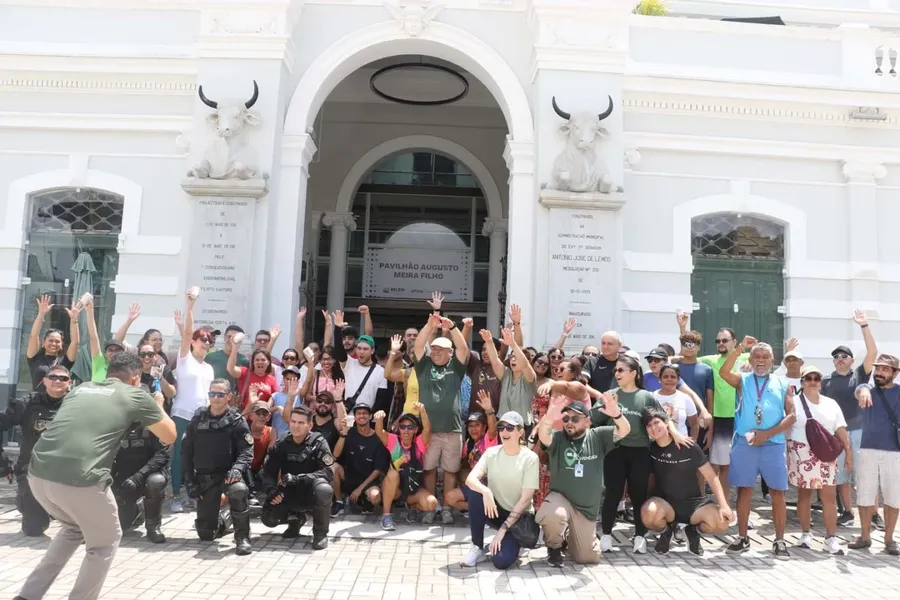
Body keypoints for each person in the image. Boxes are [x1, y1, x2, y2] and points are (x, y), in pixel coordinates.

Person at [15, 352, 175, 600]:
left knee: (73, 528)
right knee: (105, 541)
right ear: (135, 378)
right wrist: (158, 405)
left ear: (109, 373)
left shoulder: (81, 389)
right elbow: (169, 435)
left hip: (38, 475)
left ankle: (27, 596)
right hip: (81, 479)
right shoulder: (135, 394)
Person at [591, 354, 686, 554]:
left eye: (620, 370)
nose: (616, 373)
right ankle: (606, 535)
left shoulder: (646, 396)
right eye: (615, 370)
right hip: (615, 451)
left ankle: (640, 536)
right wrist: (607, 407)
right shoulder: (609, 394)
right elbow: (593, 418)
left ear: (633, 373)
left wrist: (676, 434)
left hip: (640, 452)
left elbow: (663, 418)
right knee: (612, 494)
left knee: (638, 495)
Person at [719, 341, 795, 559]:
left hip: (773, 444)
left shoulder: (783, 383)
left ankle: (779, 540)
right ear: (751, 360)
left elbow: (792, 415)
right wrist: (738, 350)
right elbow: (723, 372)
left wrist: (766, 434)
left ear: (772, 360)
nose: (761, 361)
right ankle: (743, 537)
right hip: (746, 443)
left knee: (778, 492)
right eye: (757, 357)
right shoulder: (743, 380)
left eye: (765, 357)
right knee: (744, 490)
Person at [536, 395, 630, 567]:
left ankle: (568, 538)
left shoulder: (598, 436)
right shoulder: (558, 438)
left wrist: (617, 415)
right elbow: (543, 436)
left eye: (575, 419)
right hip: (561, 500)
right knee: (553, 514)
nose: (569, 422)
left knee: (587, 558)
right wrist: (549, 417)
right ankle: (554, 547)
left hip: (586, 510)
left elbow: (624, 430)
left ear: (587, 421)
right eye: (565, 419)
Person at [641, 407, 733, 557]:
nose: (653, 428)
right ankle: (666, 532)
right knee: (648, 513)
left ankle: (693, 531)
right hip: (666, 505)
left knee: (722, 522)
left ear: (667, 423)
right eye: (649, 425)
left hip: (693, 505)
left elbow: (712, 477)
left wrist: (723, 505)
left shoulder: (688, 446)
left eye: (657, 423)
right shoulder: (651, 449)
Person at [181, 378, 254, 555]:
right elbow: (186, 453)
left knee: (238, 490)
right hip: (205, 479)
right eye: (212, 394)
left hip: (229, 475)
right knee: (205, 534)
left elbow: (246, 451)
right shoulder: (197, 420)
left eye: (220, 394)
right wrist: (190, 482)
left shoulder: (236, 420)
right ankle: (226, 519)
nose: (215, 398)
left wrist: (237, 469)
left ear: (229, 396)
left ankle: (242, 537)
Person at [459, 411, 538, 569]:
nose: (504, 432)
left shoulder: (530, 458)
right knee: (476, 491)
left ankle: (511, 540)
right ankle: (477, 547)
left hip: (518, 518)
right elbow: (470, 479)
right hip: (496, 511)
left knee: (501, 561)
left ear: (520, 432)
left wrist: (502, 530)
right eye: (501, 428)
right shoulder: (491, 453)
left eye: (510, 428)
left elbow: (525, 500)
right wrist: (486, 492)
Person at [0, 364, 72, 536]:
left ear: (69, 383)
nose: (57, 381)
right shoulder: (27, 404)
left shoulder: (77, 406)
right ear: (44, 381)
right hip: (31, 469)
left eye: (62, 378)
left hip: (66, 472)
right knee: (33, 529)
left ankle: (57, 509)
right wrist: (2, 461)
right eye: (52, 377)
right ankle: (30, 504)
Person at [821, 310, 877, 527]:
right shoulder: (825, 381)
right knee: (842, 476)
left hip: (861, 432)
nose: (840, 359)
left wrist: (864, 326)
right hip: (837, 434)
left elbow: (872, 352)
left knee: (865, 475)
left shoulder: (860, 374)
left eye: (844, 356)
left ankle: (874, 514)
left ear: (852, 360)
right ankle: (847, 512)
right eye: (836, 357)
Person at [788, 366, 851, 555]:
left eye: (816, 378)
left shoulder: (831, 403)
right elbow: (785, 426)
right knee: (804, 495)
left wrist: (849, 452)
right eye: (808, 378)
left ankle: (830, 538)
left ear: (821, 382)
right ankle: (805, 534)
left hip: (825, 453)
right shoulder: (793, 402)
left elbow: (840, 429)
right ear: (802, 382)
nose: (813, 381)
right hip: (801, 452)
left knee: (829, 497)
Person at [413, 313, 470, 525]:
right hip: (428, 430)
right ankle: (431, 507)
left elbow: (463, 349)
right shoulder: (424, 365)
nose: (435, 352)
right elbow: (419, 345)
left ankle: (446, 507)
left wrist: (453, 327)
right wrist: (429, 326)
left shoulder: (456, 367)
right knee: (428, 469)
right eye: (434, 348)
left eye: (440, 349)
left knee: (450, 471)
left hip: (452, 429)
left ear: (449, 352)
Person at [260, 405, 334, 549]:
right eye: (293, 421)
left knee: (324, 490)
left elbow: (328, 472)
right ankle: (295, 520)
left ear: (309, 425)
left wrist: (300, 478)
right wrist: (271, 490)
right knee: (268, 518)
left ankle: (320, 534)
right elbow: (268, 471)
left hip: (312, 492)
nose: (296, 426)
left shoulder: (319, 442)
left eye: (301, 423)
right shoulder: (282, 443)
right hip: (289, 492)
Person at [168, 289, 215, 513]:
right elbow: (187, 332)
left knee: (198, 459)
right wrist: (190, 306)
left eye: (209, 341)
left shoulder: (209, 368)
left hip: (202, 418)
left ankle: (192, 495)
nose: (206, 343)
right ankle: (176, 496)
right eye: (202, 339)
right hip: (182, 415)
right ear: (193, 342)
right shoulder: (184, 358)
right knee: (179, 457)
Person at [850, 353, 900, 555]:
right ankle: (864, 537)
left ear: (895, 373)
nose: (879, 372)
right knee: (864, 495)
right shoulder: (867, 390)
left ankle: (889, 539)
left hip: (894, 452)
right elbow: (858, 390)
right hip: (868, 449)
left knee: (893, 497)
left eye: (885, 369)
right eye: (878, 368)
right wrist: (863, 389)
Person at [111, 397, 171, 544]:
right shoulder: (116, 424)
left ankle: (153, 527)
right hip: (125, 474)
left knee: (155, 483)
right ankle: (136, 512)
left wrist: (138, 476)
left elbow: (162, 455)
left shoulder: (155, 425)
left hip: (149, 473)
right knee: (121, 526)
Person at [374, 403, 438, 529]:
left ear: (415, 430)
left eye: (410, 427)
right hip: (395, 489)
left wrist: (422, 411)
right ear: (399, 428)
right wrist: (379, 418)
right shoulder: (393, 440)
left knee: (431, 503)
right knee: (393, 473)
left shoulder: (419, 443)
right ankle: (386, 516)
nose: (406, 430)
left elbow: (427, 429)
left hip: (412, 489)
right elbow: (380, 432)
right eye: (403, 427)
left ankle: (412, 507)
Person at [331, 403, 390, 516]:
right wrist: (344, 433)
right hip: (349, 476)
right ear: (354, 417)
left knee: (375, 496)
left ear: (370, 416)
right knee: (333, 467)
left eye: (364, 413)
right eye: (358, 413)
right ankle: (339, 502)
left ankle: (364, 500)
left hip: (369, 481)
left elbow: (378, 470)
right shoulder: (349, 432)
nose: (361, 416)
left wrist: (360, 489)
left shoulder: (378, 438)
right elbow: (336, 454)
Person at [446, 390, 498, 511]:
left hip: (492, 489)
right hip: (476, 487)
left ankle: (490, 508)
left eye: (477, 425)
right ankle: (481, 509)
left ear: (484, 427)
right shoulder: (469, 443)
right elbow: (463, 462)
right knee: (450, 498)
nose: (473, 429)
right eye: (470, 426)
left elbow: (493, 429)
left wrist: (489, 410)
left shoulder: (488, 440)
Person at [24, 294, 80, 391]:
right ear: (43, 343)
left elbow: (75, 342)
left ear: (61, 345)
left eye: (57, 341)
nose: (54, 344)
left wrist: (74, 320)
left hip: (60, 399)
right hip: (38, 399)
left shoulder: (65, 361)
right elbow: (34, 336)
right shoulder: (35, 358)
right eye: (50, 340)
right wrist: (41, 314)